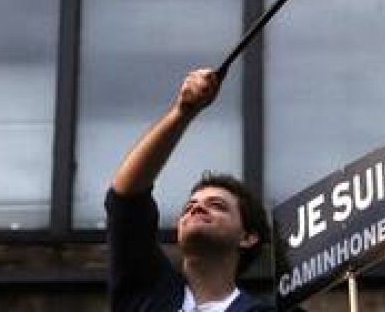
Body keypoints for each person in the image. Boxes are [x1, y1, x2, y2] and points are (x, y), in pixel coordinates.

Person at [107, 68, 271, 312]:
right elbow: (125, 198)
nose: (197, 208)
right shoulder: (147, 292)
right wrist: (182, 111)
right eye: (189, 207)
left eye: (217, 205)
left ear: (248, 237)